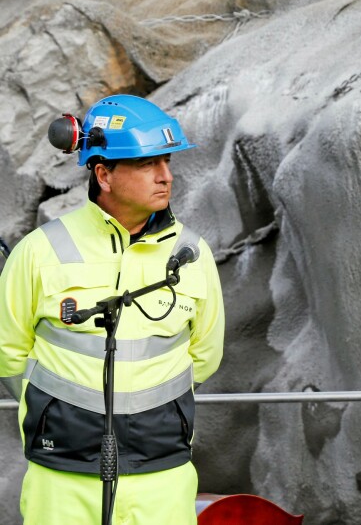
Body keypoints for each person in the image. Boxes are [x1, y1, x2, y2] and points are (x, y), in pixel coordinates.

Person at [0, 95, 225, 524]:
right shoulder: (39, 252)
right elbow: (6, 353)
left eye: (166, 162)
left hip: (162, 476)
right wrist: (58, 413)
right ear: (103, 173)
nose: (165, 176)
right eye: (146, 164)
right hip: (62, 478)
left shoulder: (192, 254)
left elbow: (205, 355)